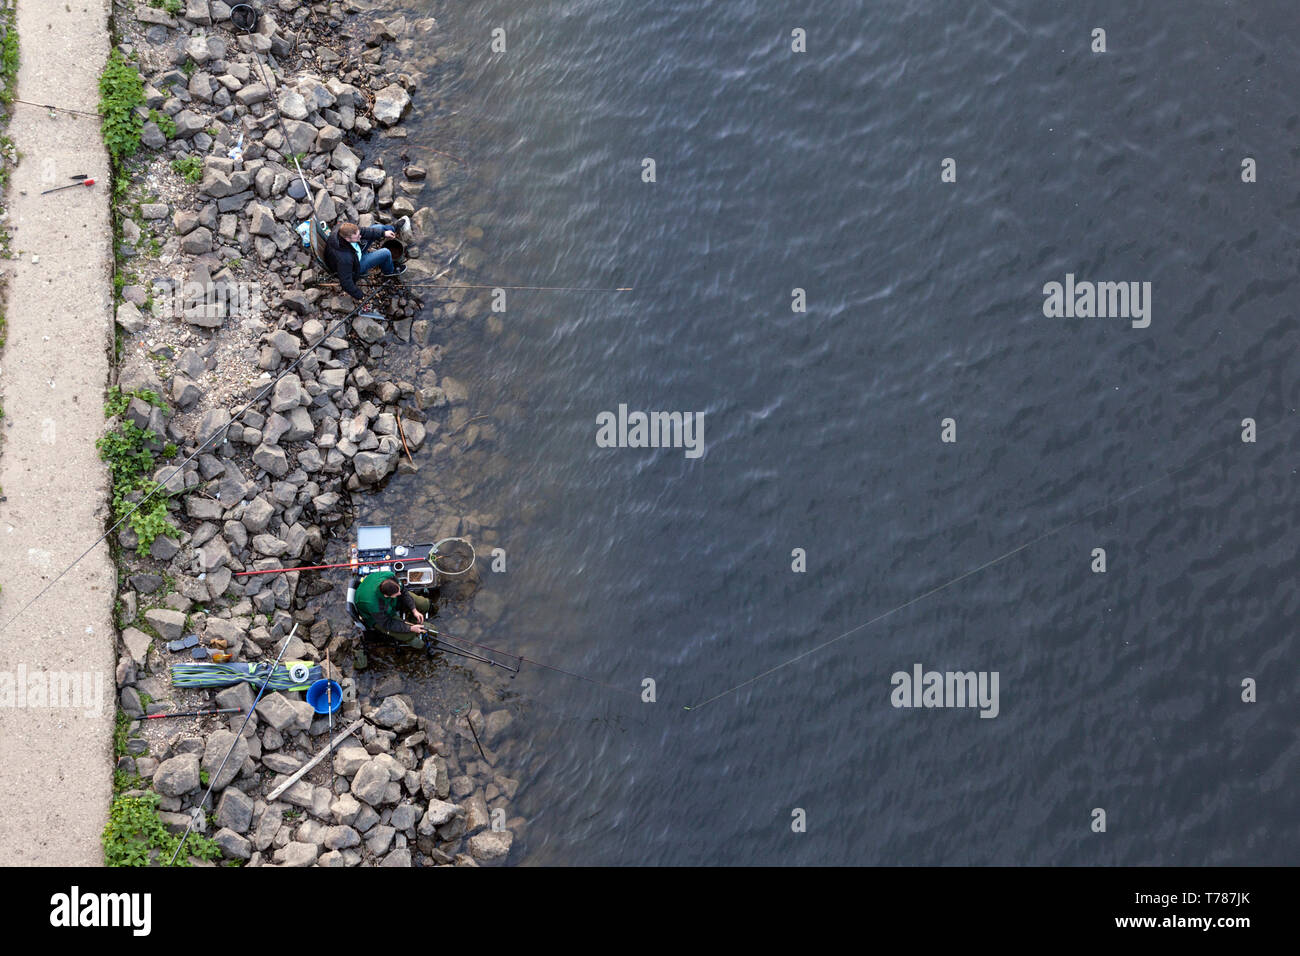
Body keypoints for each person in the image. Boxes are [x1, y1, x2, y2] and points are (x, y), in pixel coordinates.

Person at [322, 217, 412, 300]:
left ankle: (393, 229)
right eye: (357, 237)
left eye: (358, 234)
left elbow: (363, 231)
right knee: (386, 253)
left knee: (378, 227)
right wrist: (359, 295)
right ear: (347, 239)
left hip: (355, 251)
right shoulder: (345, 259)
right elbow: (345, 282)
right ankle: (389, 271)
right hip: (356, 266)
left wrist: (384, 233)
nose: (360, 237)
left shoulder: (343, 229)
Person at [353, 570, 435, 650]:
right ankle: (418, 643)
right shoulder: (374, 605)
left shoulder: (390, 576)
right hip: (376, 617)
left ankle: (413, 618)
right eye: (397, 594)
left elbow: (403, 592)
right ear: (386, 595)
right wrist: (410, 628)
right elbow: (387, 623)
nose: (400, 593)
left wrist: (414, 610)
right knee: (408, 634)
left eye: (398, 590)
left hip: (387, 600)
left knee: (423, 604)